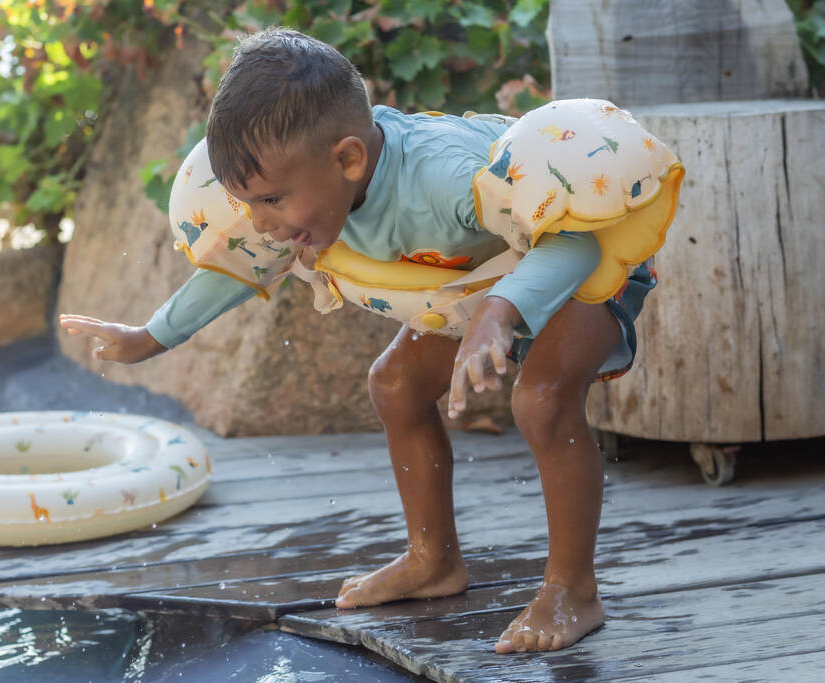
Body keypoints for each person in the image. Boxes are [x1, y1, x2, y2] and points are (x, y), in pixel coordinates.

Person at [60, 28, 681, 653]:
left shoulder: (445, 180)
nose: (262, 223)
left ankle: (572, 590)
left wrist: (502, 312)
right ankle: (432, 560)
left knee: (541, 400)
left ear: (348, 160)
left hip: (586, 265)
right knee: (395, 384)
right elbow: (243, 267)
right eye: (248, 204)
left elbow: (572, 239)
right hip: (488, 285)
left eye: (271, 201)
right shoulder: (307, 182)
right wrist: (149, 337)